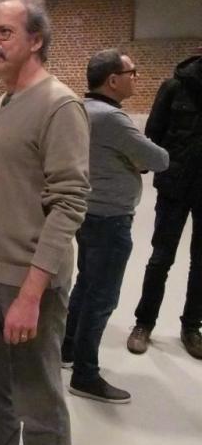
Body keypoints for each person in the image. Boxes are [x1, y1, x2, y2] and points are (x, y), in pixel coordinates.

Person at [0, 0, 90, 445]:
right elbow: (19, 175)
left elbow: (69, 204)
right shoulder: (3, 102)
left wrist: (31, 296)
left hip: (27, 282)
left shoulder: (59, 105)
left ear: (36, 40)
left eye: (4, 32)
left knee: (39, 404)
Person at [61, 49, 168, 404]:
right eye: (131, 72)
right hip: (110, 219)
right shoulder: (113, 119)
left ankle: (67, 350)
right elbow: (159, 159)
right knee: (102, 298)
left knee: (85, 285)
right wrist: (135, 161)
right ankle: (85, 375)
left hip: (87, 212)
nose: (136, 77)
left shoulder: (80, 109)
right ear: (112, 80)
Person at [127, 51, 202, 360]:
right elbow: (153, 134)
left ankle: (192, 327)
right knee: (161, 258)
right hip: (174, 187)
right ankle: (143, 324)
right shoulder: (174, 87)